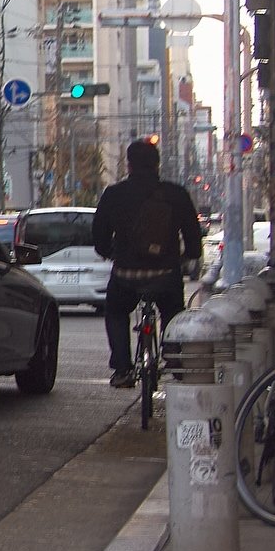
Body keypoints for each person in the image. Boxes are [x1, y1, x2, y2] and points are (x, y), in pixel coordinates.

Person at [91, 139, 203, 389]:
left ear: (128, 165)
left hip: (126, 274)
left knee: (117, 312)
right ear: (157, 165)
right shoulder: (176, 194)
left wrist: (110, 253)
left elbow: (98, 235)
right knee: (172, 312)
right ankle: (174, 359)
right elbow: (193, 237)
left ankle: (122, 369)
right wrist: (186, 257)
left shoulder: (114, 194)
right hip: (165, 273)